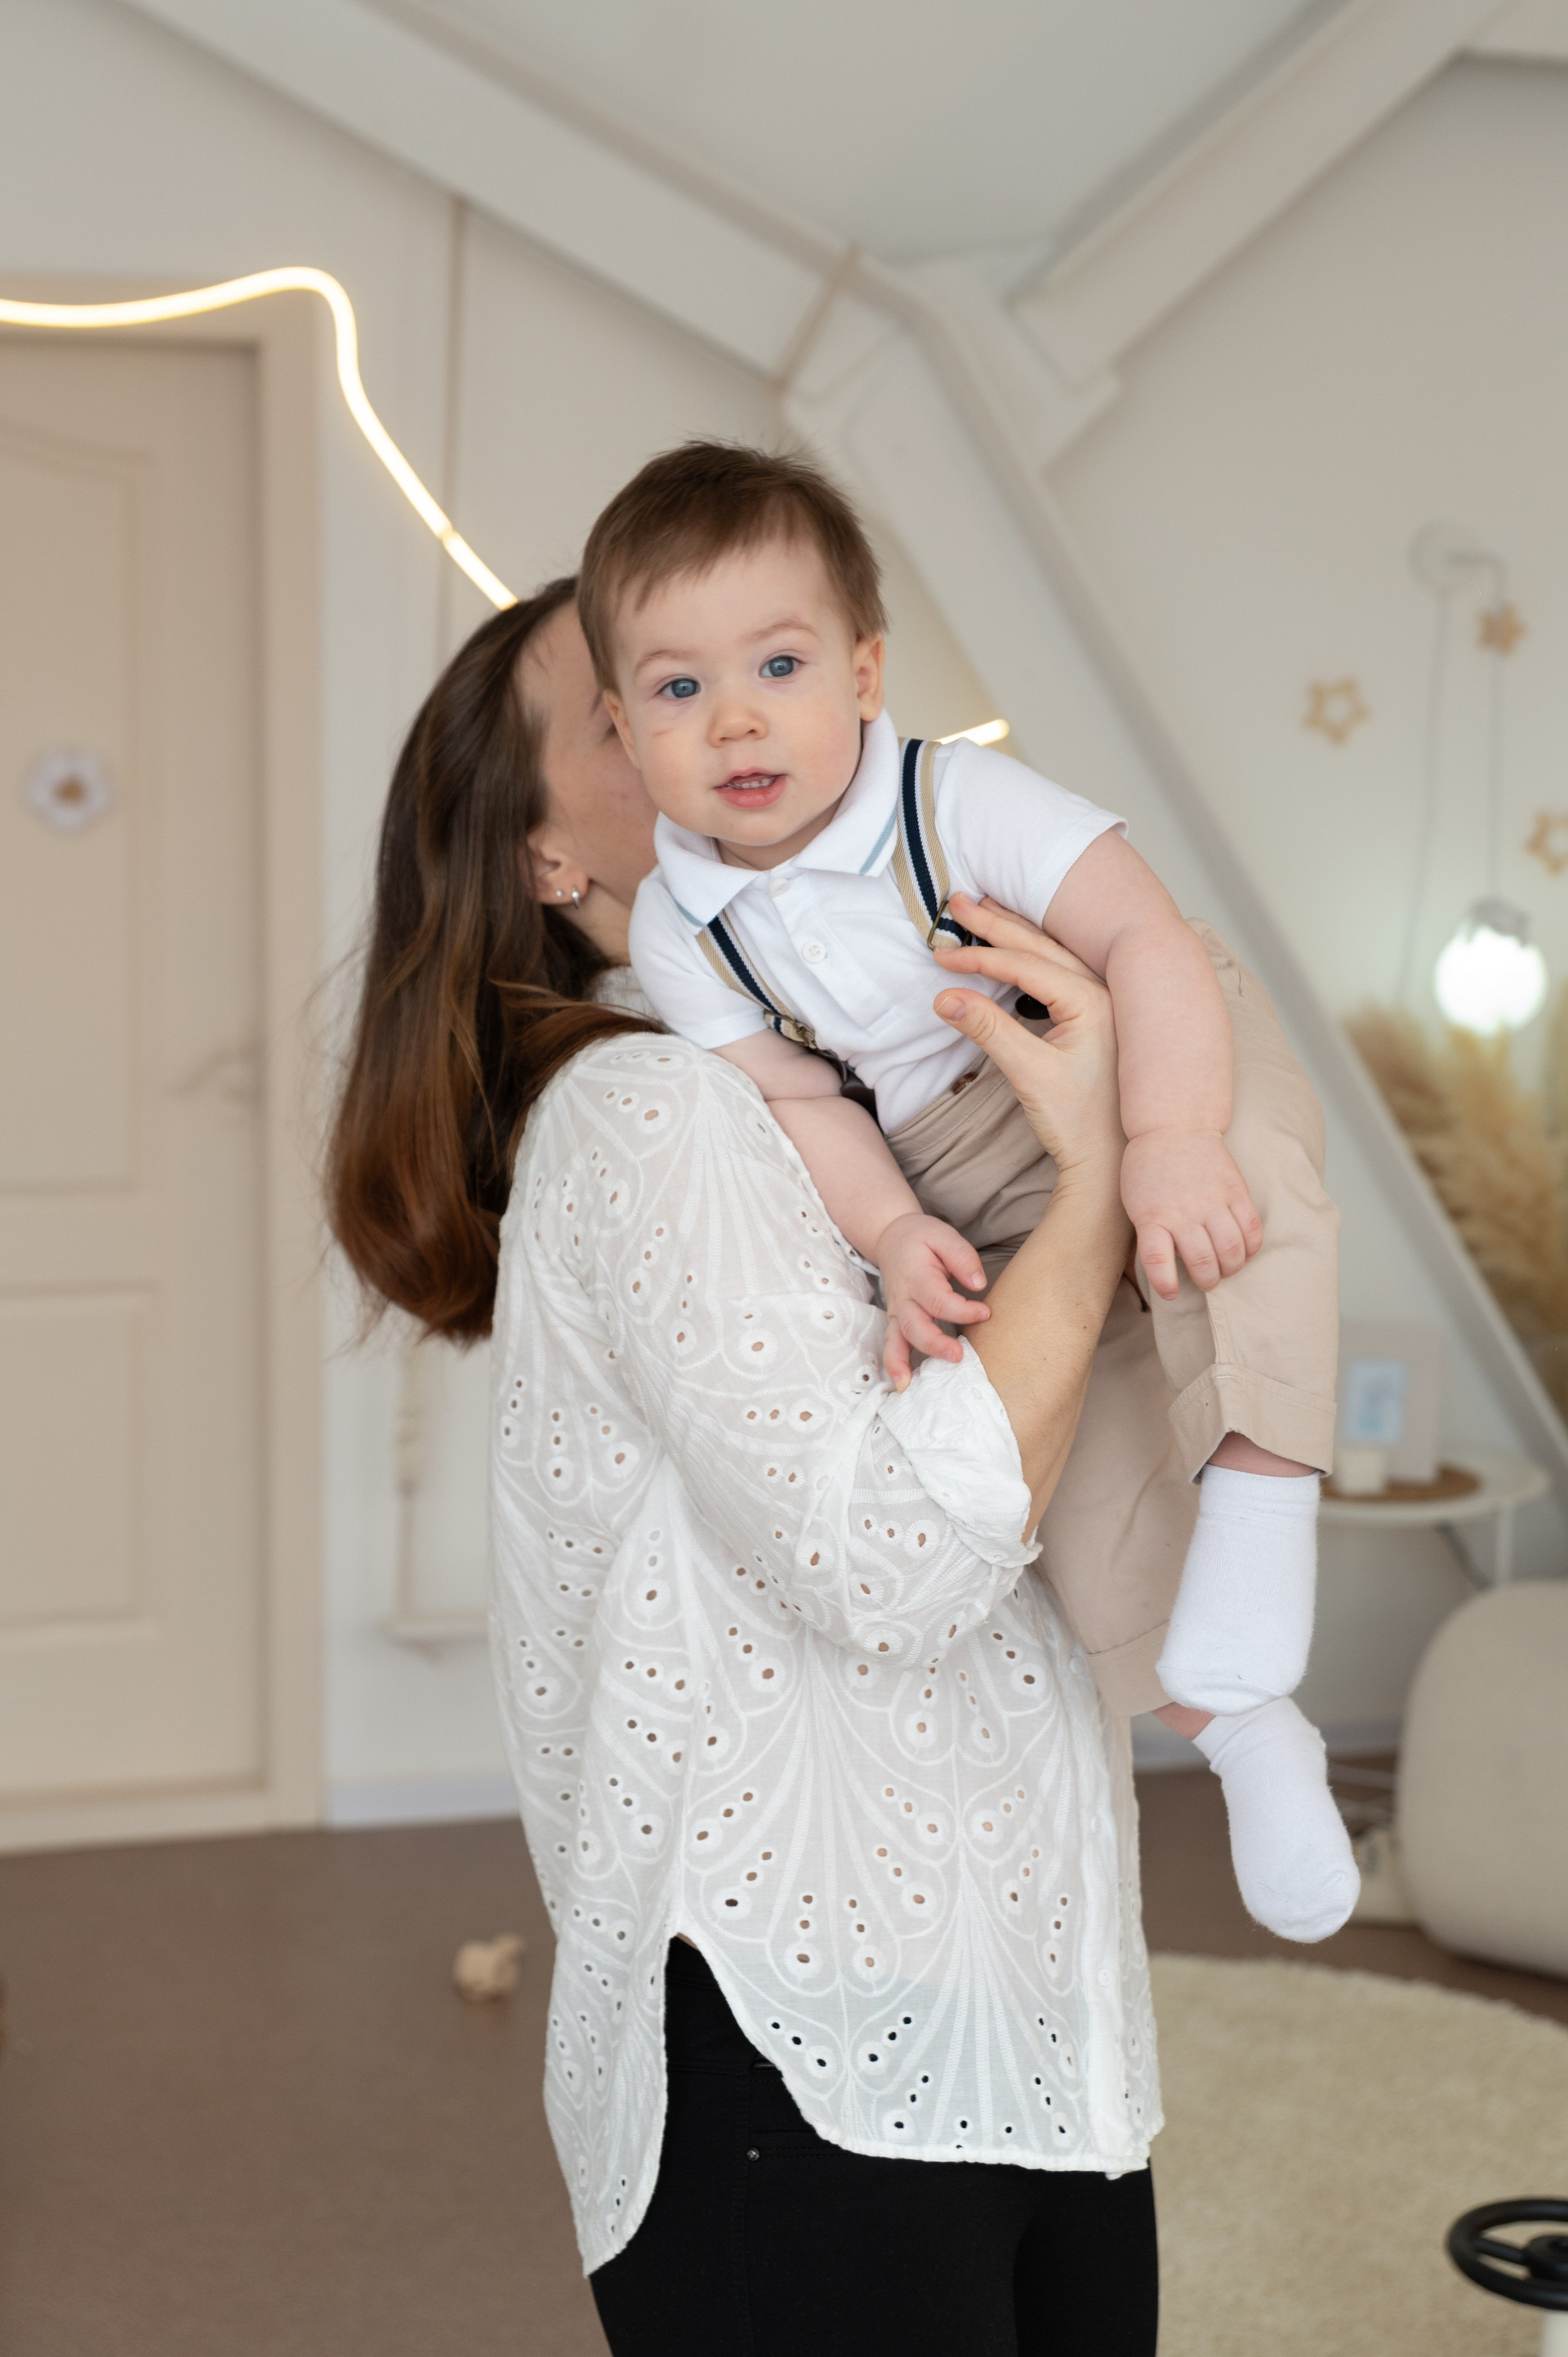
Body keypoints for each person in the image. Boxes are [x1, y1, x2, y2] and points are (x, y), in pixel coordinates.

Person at [328, 581, 1160, 2355]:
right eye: (636, 701)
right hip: (805, 2042)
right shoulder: (658, 1112)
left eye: (760, 670)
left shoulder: (846, 1091)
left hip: (1009, 2000)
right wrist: (1097, 1178)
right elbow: (895, 1562)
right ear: (549, 856)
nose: (724, 723)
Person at [578, 440, 1357, 1945]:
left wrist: (1167, 1130)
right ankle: (1247, 1724)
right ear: (621, 725)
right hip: (951, 1159)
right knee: (1080, 1470)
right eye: (678, 688)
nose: (736, 718)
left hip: (1146, 1046)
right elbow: (802, 1097)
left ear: (865, 671)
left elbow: (1146, 941)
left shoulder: (952, 797)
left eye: (781, 665)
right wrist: (891, 1229)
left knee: (1249, 1207)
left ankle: (1266, 1516)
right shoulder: (683, 928)